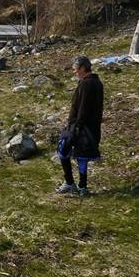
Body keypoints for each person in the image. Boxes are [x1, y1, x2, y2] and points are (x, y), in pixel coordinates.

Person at [56, 56, 104, 196]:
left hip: (81, 127)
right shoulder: (97, 83)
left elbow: (82, 109)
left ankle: (70, 183)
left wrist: (75, 127)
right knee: (82, 156)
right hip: (93, 127)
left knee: (63, 149)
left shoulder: (85, 84)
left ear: (83, 68)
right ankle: (82, 187)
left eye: (75, 69)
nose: (75, 72)